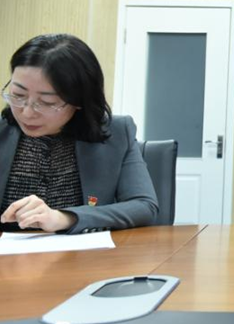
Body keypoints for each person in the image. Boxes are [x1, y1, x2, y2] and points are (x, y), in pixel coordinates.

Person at [0, 34, 158, 233]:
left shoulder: (116, 133)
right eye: (18, 95)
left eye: (47, 102)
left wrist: (65, 218)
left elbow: (144, 206)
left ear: (80, 101)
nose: (27, 113)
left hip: (82, 252)